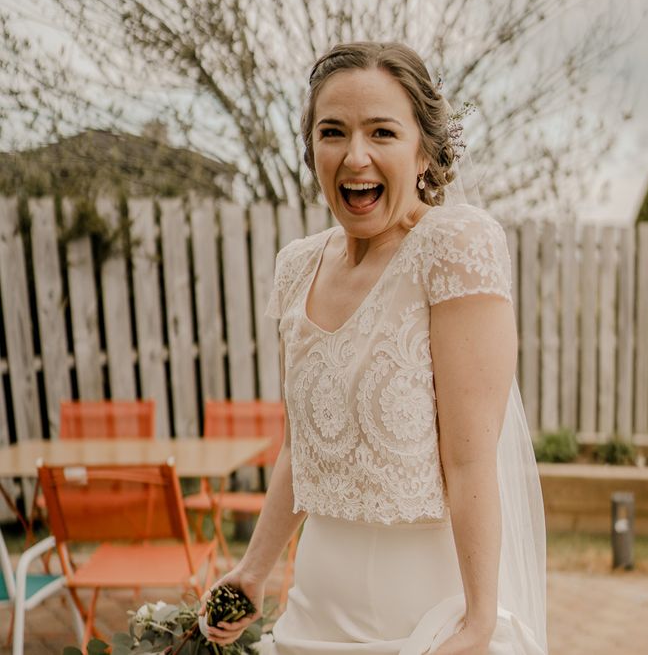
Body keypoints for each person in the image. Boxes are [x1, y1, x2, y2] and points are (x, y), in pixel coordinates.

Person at [201, 41, 547, 655]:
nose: (354, 156)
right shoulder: (296, 267)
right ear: (312, 151)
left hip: (425, 617)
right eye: (332, 132)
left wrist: (478, 622)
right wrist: (253, 571)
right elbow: (300, 449)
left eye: (382, 132)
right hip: (312, 610)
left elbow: (472, 462)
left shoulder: (455, 247)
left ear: (424, 151)